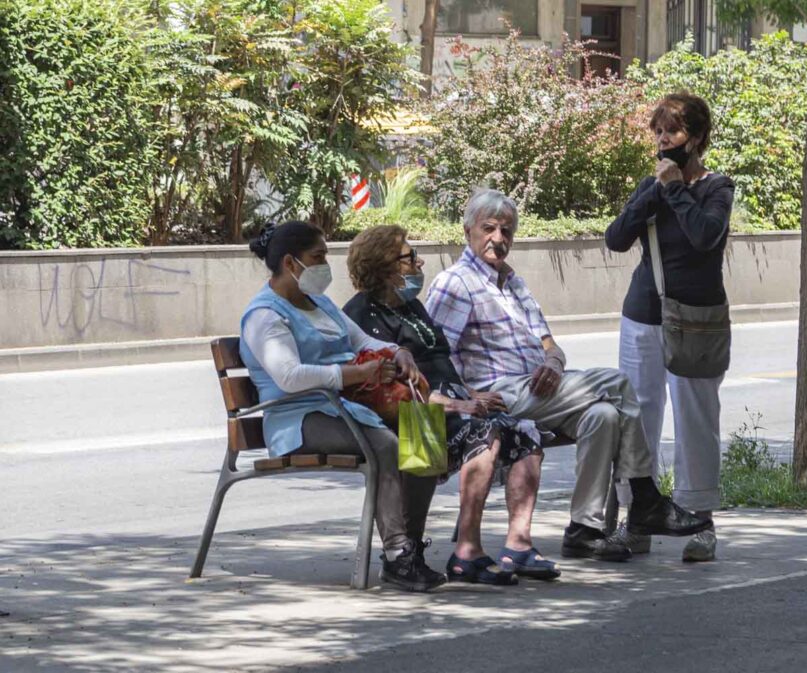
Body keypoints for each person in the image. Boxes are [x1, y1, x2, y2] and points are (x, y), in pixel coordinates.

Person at [426, 189, 713, 562]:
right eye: (489, 228)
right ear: (468, 232)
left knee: (604, 416)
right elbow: (433, 356)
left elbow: (551, 345)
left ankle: (584, 529)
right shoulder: (456, 282)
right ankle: (644, 498)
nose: (499, 239)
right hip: (496, 393)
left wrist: (554, 363)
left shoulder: (513, 284)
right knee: (618, 383)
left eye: (507, 231)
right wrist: (467, 397)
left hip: (537, 387)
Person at [344, 225, 559, 584]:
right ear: (385, 266)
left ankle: (518, 543)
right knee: (484, 434)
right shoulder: (364, 314)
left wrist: (470, 395)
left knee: (522, 432)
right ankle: (460, 552)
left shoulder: (411, 306)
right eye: (410, 257)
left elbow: (439, 362)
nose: (419, 263)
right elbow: (390, 387)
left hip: (447, 403)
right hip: (407, 414)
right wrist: (454, 406)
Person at [240, 220, 445, 592]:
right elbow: (288, 376)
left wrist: (397, 352)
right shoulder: (264, 315)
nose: (324, 265)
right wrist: (353, 373)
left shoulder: (319, 303)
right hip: (299, 416)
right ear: (290, 263)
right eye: (317, 257)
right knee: (385, 447)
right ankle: (398, 552)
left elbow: (361, 337)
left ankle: (407, 550)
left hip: (347, 407)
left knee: (425, 434)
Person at [605, 92, 735, 563]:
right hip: (643, 315)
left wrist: (677, 188)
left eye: (674, 131)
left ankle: (699, 519)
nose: (663, 139)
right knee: (636, 419)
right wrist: (653, 195)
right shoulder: (651, 185)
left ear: (696, 138)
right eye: (658, 130)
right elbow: (616, 238)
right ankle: (636, 516)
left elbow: (705, 237)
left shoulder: (717, 188)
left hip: (697, 320)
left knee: (696, 419)